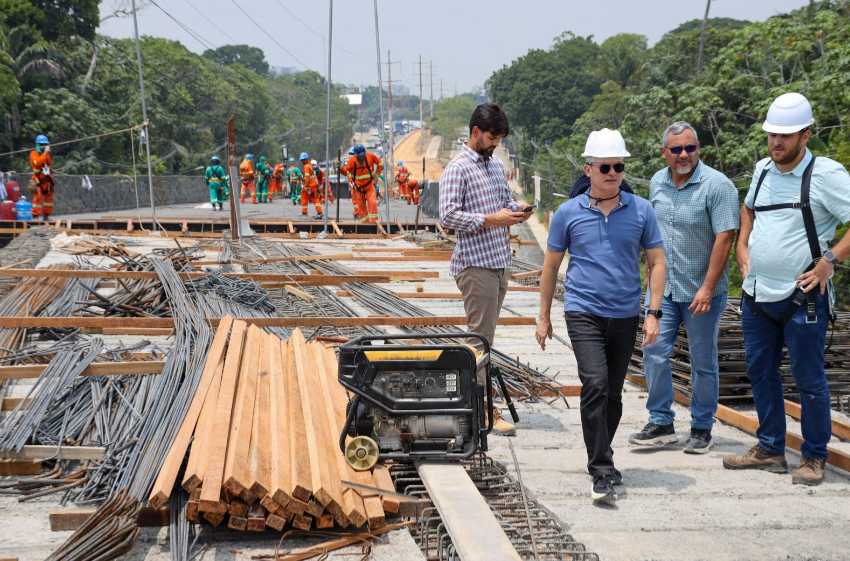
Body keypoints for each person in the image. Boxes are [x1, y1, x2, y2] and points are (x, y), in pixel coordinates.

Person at [723, 92, 850, 486]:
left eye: (785, 136)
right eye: (772, 135)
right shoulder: (763, 169)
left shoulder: (826, 175)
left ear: (806, 135)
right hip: (757, 294)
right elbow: (749, 209)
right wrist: (743, 245)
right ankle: (771, 448)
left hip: (802, 297)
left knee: (809, 380)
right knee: (760, 372)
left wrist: (830, 262)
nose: (776, 143)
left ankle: (813, 457)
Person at [536, 128, 666, 505]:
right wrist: (543, 316)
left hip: (625, 313)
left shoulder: (641, 211)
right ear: (588, 169)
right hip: (583, 311)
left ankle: (601, 455)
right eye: (605, 166)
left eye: (619, 166)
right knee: (594, 383)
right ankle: (602, 470)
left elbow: (657, 262)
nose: (612, 173)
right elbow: (550, 267)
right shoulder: (568, 214)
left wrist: (653, 312)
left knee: (612, 392)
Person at [628, 122, 740, 454]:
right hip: (664, 290)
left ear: (698, 149)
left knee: (702, 361)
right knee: (654, 352)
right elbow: (652, 238)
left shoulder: (717, 186)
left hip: (701, 292)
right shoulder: (657, 183)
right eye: (676, 149)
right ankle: (661, 421)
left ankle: (702, 427)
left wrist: (707, 288)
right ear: (665, 152)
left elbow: (725, 238)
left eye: (690, 148)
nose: (683, 155)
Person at [439, 103, 532, 437]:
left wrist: (516, 210)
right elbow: (447, 217)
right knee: (479, 341)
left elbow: (503, 203)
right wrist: (491, 220)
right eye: (492, 138)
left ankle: (477, 405)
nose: (495, 144)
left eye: (499, 140)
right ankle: (480, 410)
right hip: (475, 264)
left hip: (498, 261)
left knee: (485, 339)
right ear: (475, 132)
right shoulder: (458, 168)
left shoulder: (493, 166)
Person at [341, 144, 382, 223]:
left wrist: (377, 175)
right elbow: (345, 172)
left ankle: (374, 223)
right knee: (361, 208)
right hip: (359, 188)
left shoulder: (370, 156)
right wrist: (339, 168)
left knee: (372, 203)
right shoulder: (352, 161)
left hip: (369, 186)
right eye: (359, 156)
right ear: (356, 155)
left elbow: (380, 163)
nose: (361, 157)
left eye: (363, 155)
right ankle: (365, 224)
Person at [29, 134, 54, 221]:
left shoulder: (46, 154)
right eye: (41, 144)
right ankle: (35, 216)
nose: (43, 146)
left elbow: (48, 163)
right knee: (38, 197)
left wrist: (46, 153)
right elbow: (38, 163)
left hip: (46, 179)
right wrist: (45, 153)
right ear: (37, 145)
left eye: (45, 144)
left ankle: (46, 215)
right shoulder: (33, 154)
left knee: (49, 198)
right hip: (38, 179)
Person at [299, 152, 322, 218]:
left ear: (306, 159)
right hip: (313, 185)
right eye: (302, 160)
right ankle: (318, 213)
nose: (302, 161)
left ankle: (318, 213)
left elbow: (307, 177)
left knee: (310, 198)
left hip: (310, 186)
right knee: (312, 198)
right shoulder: (309, 165)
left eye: (303, 160)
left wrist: (306, 186)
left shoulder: (306, 166)